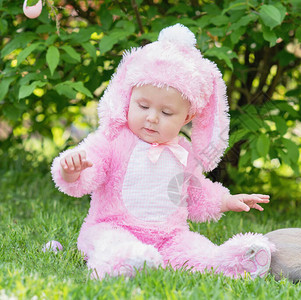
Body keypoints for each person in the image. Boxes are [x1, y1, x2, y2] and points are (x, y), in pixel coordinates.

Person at [51, 24, 274, 280]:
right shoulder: (112, 141)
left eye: (166, 112)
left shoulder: (183, 153)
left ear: (187, 117)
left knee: (197, 251)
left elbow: (196, 194)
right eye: (143, 106)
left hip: (169, 237)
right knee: (110, 242)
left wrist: (226, 201)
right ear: (128, 97)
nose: (152, 118)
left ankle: (236, 262)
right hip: (113, 227)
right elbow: (87, 174)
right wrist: (71, 171)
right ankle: (124, 262)